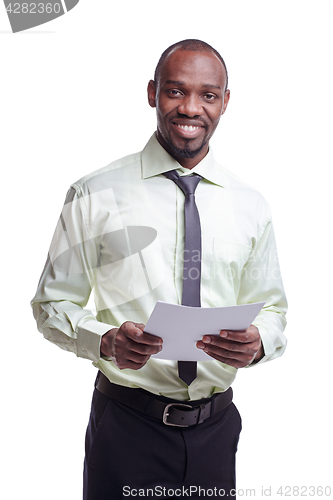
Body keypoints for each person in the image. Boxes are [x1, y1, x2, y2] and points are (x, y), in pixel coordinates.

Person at [31, 39, 287, 499]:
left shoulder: (250, 205)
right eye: (175, 91)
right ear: (152, 93)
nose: (191, 107)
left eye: (208, 95)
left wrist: (259, 341)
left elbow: (273, 310)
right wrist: (104, 341)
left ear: (225, 102)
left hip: (216, 431)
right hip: (126, 427)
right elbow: (52, 305)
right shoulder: (93, 194)